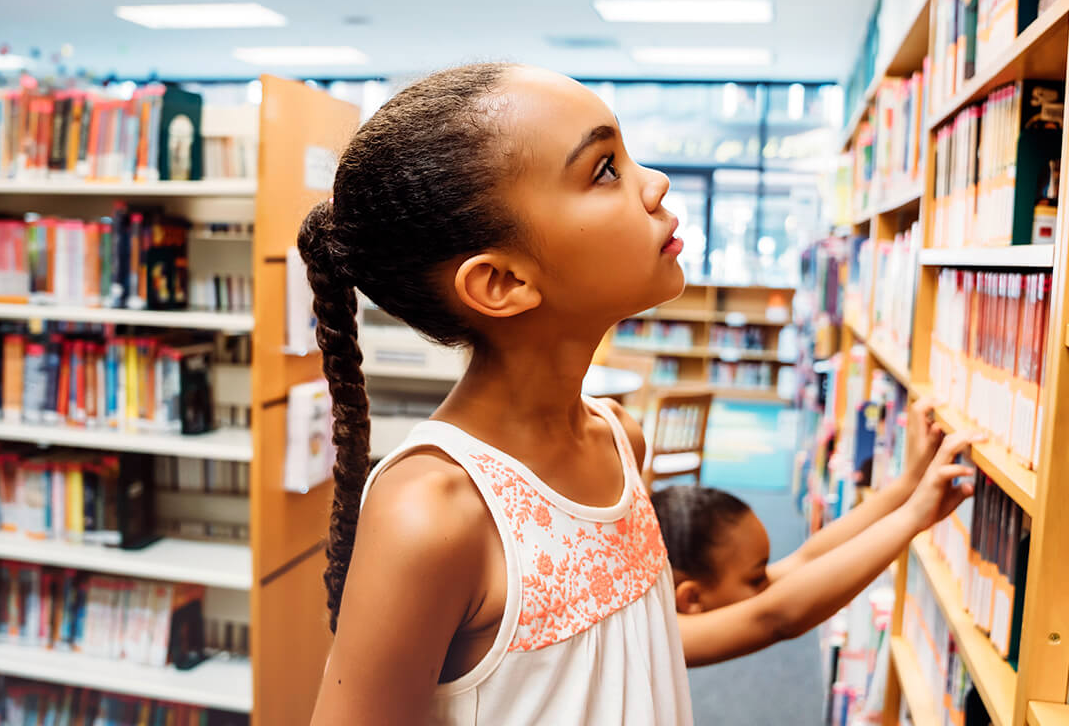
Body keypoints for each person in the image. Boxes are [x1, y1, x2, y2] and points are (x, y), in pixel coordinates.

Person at [298, 62, 973, 725]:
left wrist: (904, 496)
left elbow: (644, 648)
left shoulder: (621, 439)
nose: (655, 183)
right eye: (604, 168)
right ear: (501, 282)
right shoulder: (433, 512)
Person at [654, 400, 980, 666]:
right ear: (692, 599)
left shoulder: (655, 597)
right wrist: (911, 519)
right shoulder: (653, 635)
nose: (769, 584)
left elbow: (806, 559)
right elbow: (775, 617)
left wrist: (909, 485)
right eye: (755, 580)